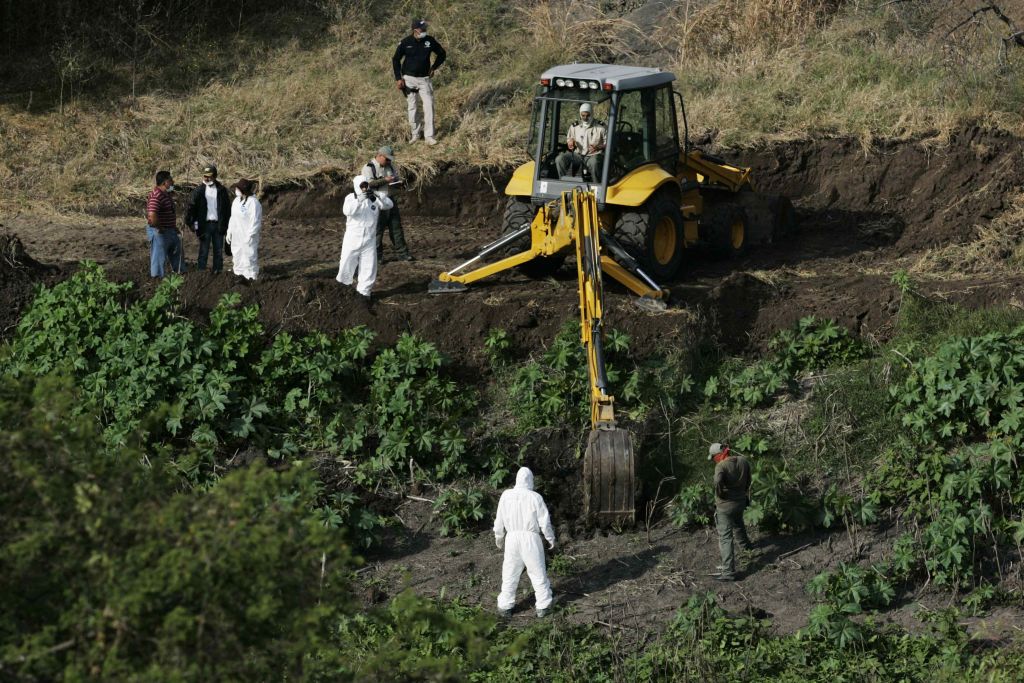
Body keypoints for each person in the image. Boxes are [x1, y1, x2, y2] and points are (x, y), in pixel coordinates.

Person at [493, 467, 556, 618]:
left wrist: (499, 537)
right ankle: (543, 605)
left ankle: (505, 606)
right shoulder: (535, 497)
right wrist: (550, 538)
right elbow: (545, 522)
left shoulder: (506, 495)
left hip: (512, 539)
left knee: (510, 572)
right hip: (531, 539)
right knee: (537, 571)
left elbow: (499, 520)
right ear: (531, 480)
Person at [336, 174, 393, 307]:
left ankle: (364, 295)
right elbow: (347, 211)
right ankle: (342, 291)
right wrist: (360, 199)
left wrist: (376, 196)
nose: (364, 188)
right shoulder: (351, 198)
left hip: (369, 241)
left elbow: (389, 205)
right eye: (361, 186)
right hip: (352, 240)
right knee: (346, 265)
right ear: (357, 186)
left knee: (369, 268)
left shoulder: (374, 198)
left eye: (365, 185)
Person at [393, 18, 446, 146]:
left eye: (425, 29)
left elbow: (442, 54)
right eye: (422, 29)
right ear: (415, 30)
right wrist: (398, 78)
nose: (425, 31)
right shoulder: (405, 42)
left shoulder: (430, 40)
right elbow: (395, 59)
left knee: (429, 106)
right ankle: (415, 135)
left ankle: (429, 136)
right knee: (413, 107)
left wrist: (434, 67)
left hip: (424, 79)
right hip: (409, 79)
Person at [709, 443, 752, 582]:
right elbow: (749, 480)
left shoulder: (721, 466)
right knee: (738, 523)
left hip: (725, 507)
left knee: (726, 537)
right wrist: (742, 493)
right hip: (740, 501)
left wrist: (720, 494)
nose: (714, 460)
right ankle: (746, 547)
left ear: (719, 455)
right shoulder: (743, 461)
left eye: (713, 457)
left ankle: (728, 572)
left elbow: (717, 482)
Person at [362, 145, 413, 262]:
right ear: (379, 156)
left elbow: (394, 179)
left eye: (390, 159)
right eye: (387, 159)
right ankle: (376, 257)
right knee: (377, 230)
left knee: (396, 228)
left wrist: (399, 183)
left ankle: (403, 254)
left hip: (390, 200)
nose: (389, 161)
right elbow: (367, 185)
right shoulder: (368, 167)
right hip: (376, 202)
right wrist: (385, 180)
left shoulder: (389, 166)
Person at [184, 164, 232, 273]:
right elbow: (191, 209)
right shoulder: (198, 191)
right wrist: (192, 224)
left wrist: (227, 225)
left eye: (209, 176)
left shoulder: (222, 191)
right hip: (204, 225)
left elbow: (227, 210)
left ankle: (218, 272)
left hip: (218, 225)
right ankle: (201, 272)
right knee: (203, 251)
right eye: (205, 176)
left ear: (215, 176)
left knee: (218, 251)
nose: (206, 178)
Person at [146, 170, 184, 278]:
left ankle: (180, 275)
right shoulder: (156, 195)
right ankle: (157, 279)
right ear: (164, 182)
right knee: (159, 256)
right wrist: (160, 228)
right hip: (160, 231)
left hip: (169, 230)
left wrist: (174, 227)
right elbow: (152, 215)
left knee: (177, 251)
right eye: (170, 180)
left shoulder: (166, 194)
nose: (173, 182)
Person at [555, 102, 607, 180]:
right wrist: (570, 143)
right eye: (583, 115)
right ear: (580, 114)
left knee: (594, 163)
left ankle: (597, 187)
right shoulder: (574, 126)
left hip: (593, 155)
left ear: (592, 113)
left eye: (588, 115)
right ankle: (563, 181)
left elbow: (609, 144)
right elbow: (570, 139)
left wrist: (598, 147)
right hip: (577, 155)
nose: (585, 118)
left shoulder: (601, 127)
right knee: (559, 159)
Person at [226, 178, 262, 280]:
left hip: (248, 236)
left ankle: (251, 277)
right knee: (237, 255)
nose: (236, 190)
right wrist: (229, 231)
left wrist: (251, 235)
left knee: (249, 257)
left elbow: (255, 222)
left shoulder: (253, 203)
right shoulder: (236, 201)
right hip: (237, 235)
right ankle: (238, 275)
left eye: (238, 188)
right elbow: (232, 218)